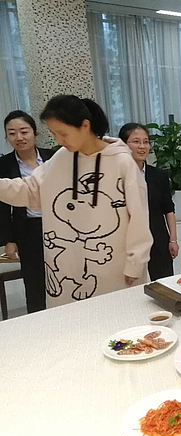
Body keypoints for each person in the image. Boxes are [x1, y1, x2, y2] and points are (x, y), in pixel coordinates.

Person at [0, 96, 152, 307]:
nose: (59, 140)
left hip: (114, 264)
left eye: (63, 133)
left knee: (118, 315)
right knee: (73, 319)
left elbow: (139, 217)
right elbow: (30, 190)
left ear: (85, 126)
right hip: (69, 263)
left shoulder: (122, 162)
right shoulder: (61, 158)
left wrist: (136, 262)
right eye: (54, 134)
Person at [0, 111, 56, 313]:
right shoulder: (3, 165)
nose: (19, 137)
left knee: (63, 274)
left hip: (57, 226)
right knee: (34, 282)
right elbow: (2, 207)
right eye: (12, 133)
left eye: (24, 131)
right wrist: (9, 240)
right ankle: (39, 321)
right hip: (27, 230)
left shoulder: (53, 157)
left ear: (35, 133)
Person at [120, 123, 178, 281]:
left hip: (158, 238)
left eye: (146, 142)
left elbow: (169, 209)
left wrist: (173, 239)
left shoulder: (158, 175)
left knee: (164, 283)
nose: (142, 146)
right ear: (124, 145)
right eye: (136, 141)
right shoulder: (118, 176)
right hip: (129, 242)